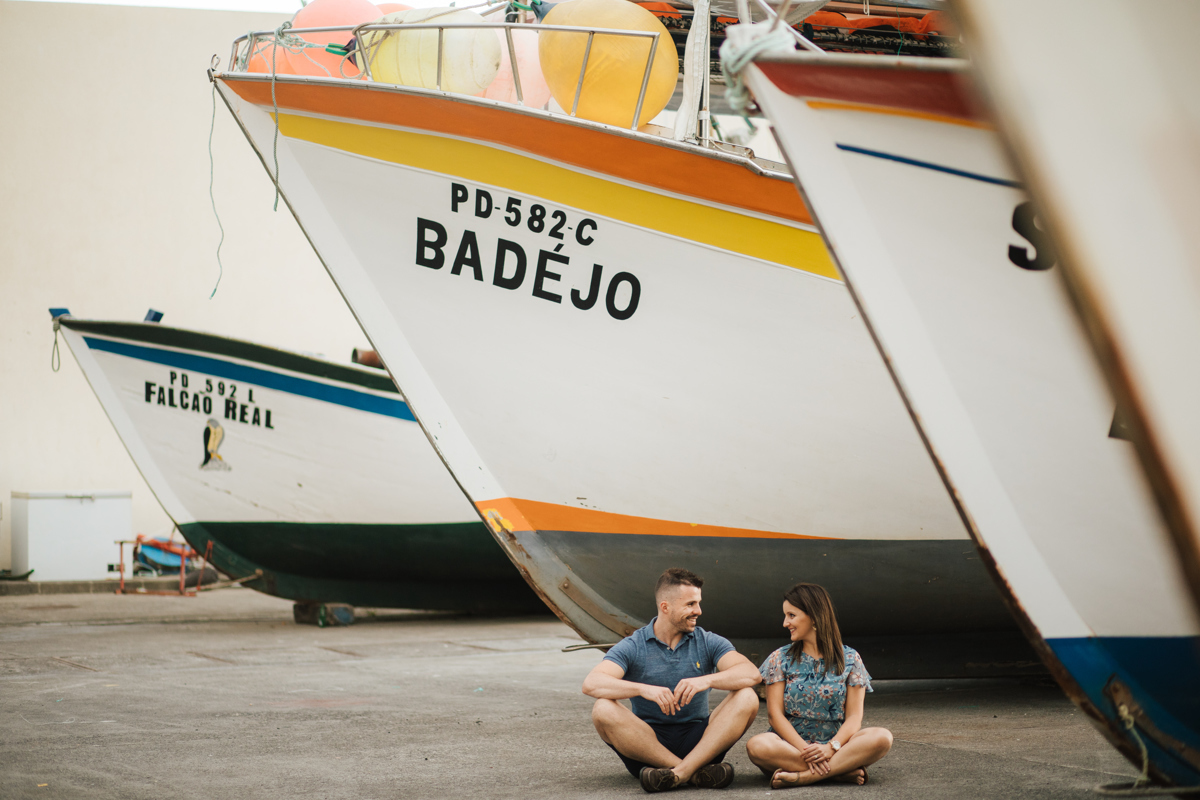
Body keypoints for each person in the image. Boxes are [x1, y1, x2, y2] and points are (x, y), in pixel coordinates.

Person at [582, 568, 762, 792]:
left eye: (698, 603)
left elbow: (751, 673)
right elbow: (592, 683)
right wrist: (642, 689)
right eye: (690, 604)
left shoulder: (707, 641)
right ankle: (694, 774)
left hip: (701, 741)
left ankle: (676, 775)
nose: (698, 610)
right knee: (602, 708)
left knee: (747, 696)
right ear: (665, 607)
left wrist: (705, 681)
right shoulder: (634, 645)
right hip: (646, 746)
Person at [745, 583, 893, 788]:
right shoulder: (779, 658)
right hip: (790, 749)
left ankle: (806, 777)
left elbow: (854, 718)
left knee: (882, 737)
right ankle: (839, 772)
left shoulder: (850, 658)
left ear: (814, 616)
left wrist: (831, 748)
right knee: (757, 745)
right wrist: (806, 750)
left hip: (837, 746)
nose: (785, 623)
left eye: (791, 615)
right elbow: (774, 716)